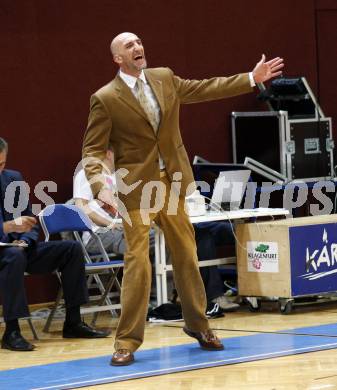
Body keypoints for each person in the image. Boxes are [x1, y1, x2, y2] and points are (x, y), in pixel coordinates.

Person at [81, 32, 284, 366]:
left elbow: (205, 88)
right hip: (136, 189)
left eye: (139, 42)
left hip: (172, 183)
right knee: (138, 261)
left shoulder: (163, 78)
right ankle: (127, 341)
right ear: (117, 58)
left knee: (187, 254)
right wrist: (98, 184)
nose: (138, 47)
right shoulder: (105, 98)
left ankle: (198, 325)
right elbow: (91, 150)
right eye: (129, 45)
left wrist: (250, 78)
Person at [74, 147, 237, 311]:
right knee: (161, 240)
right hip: (99, 235)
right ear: (109, 153)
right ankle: (157, 298)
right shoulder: (87, 174)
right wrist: (110, 224)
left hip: (124, 228)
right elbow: (82, 209)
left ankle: (164, 298)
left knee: (174, 235)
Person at [0, 138, 110, 352]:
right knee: (14, 255)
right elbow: (11, 224)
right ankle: (12, 331)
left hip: (20, 248)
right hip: (7, 252)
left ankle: (73, 322)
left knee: (72, 250)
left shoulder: (13, 179)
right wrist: (6, 228)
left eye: (2, 164)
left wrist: (26, 238)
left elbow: (29, 219)